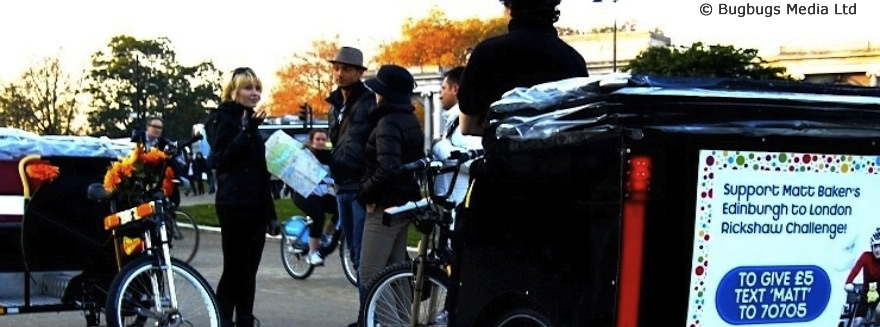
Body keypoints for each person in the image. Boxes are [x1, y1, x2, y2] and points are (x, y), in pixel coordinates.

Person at [458, 0, 589, 144]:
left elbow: (467, 126)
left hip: (504, 162)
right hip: (562, 162)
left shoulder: (486, 53)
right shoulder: (574, 60)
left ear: (510, 8)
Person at [207, 67, 279, 327]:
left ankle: (244, 318)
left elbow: (261, 171)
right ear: (234, 91)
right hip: (233, 203)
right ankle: (223, 316)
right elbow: (222, 158)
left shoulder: (251, 121)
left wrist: (272, 214)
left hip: (256, 203)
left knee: (250, 269)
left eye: (257, 88)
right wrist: (248, 129)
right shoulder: (221, 119)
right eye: (249, 88)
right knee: (235, 267)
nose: (255, 93)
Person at [357, 64, 424, 296]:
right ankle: (405, 321)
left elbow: (388, 168)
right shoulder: (409, 119)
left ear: (385, 94)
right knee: (396, 273)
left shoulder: (387, 122)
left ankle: (387, 321)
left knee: (371, 276)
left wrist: (365, 192)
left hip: (384, 205)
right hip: (404, 203)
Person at [326, 46, 376, 297]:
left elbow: (373, 146)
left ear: (359, 72)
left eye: (345, 69)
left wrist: (370, 186)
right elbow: (337, 146)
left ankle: (368, 316)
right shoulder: (334, 105)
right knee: (354, 255)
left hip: (360, 188)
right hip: (341, 185)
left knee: (362, 257)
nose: (339, 73)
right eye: (336, 68)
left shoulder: (369, 102)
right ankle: (368, 313)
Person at [431, 66, 482, 208]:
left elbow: (477, 162)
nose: (440, 95)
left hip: (458, 208)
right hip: (452, 204)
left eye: (443, 88)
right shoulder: (455, 121)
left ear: (455, 89)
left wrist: (439, 147)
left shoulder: (465, 125)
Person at [292, 129, 337, 266]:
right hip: (303, 194)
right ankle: (312, 253)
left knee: (340, 210)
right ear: (312, 141)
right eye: (318, 139)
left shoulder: (329, 156)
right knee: (319, 216)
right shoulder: (303, 155)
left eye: (324, 139)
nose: (321, 142)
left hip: (322, 193)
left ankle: (326, 235)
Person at [845, 229, 880, 326]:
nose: (878, 250)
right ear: (871, 247)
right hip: (866, 294)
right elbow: (854, 271)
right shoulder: (866, 257)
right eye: (875, 246)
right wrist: (849, 282)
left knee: (878, 311)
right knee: (857, 322)